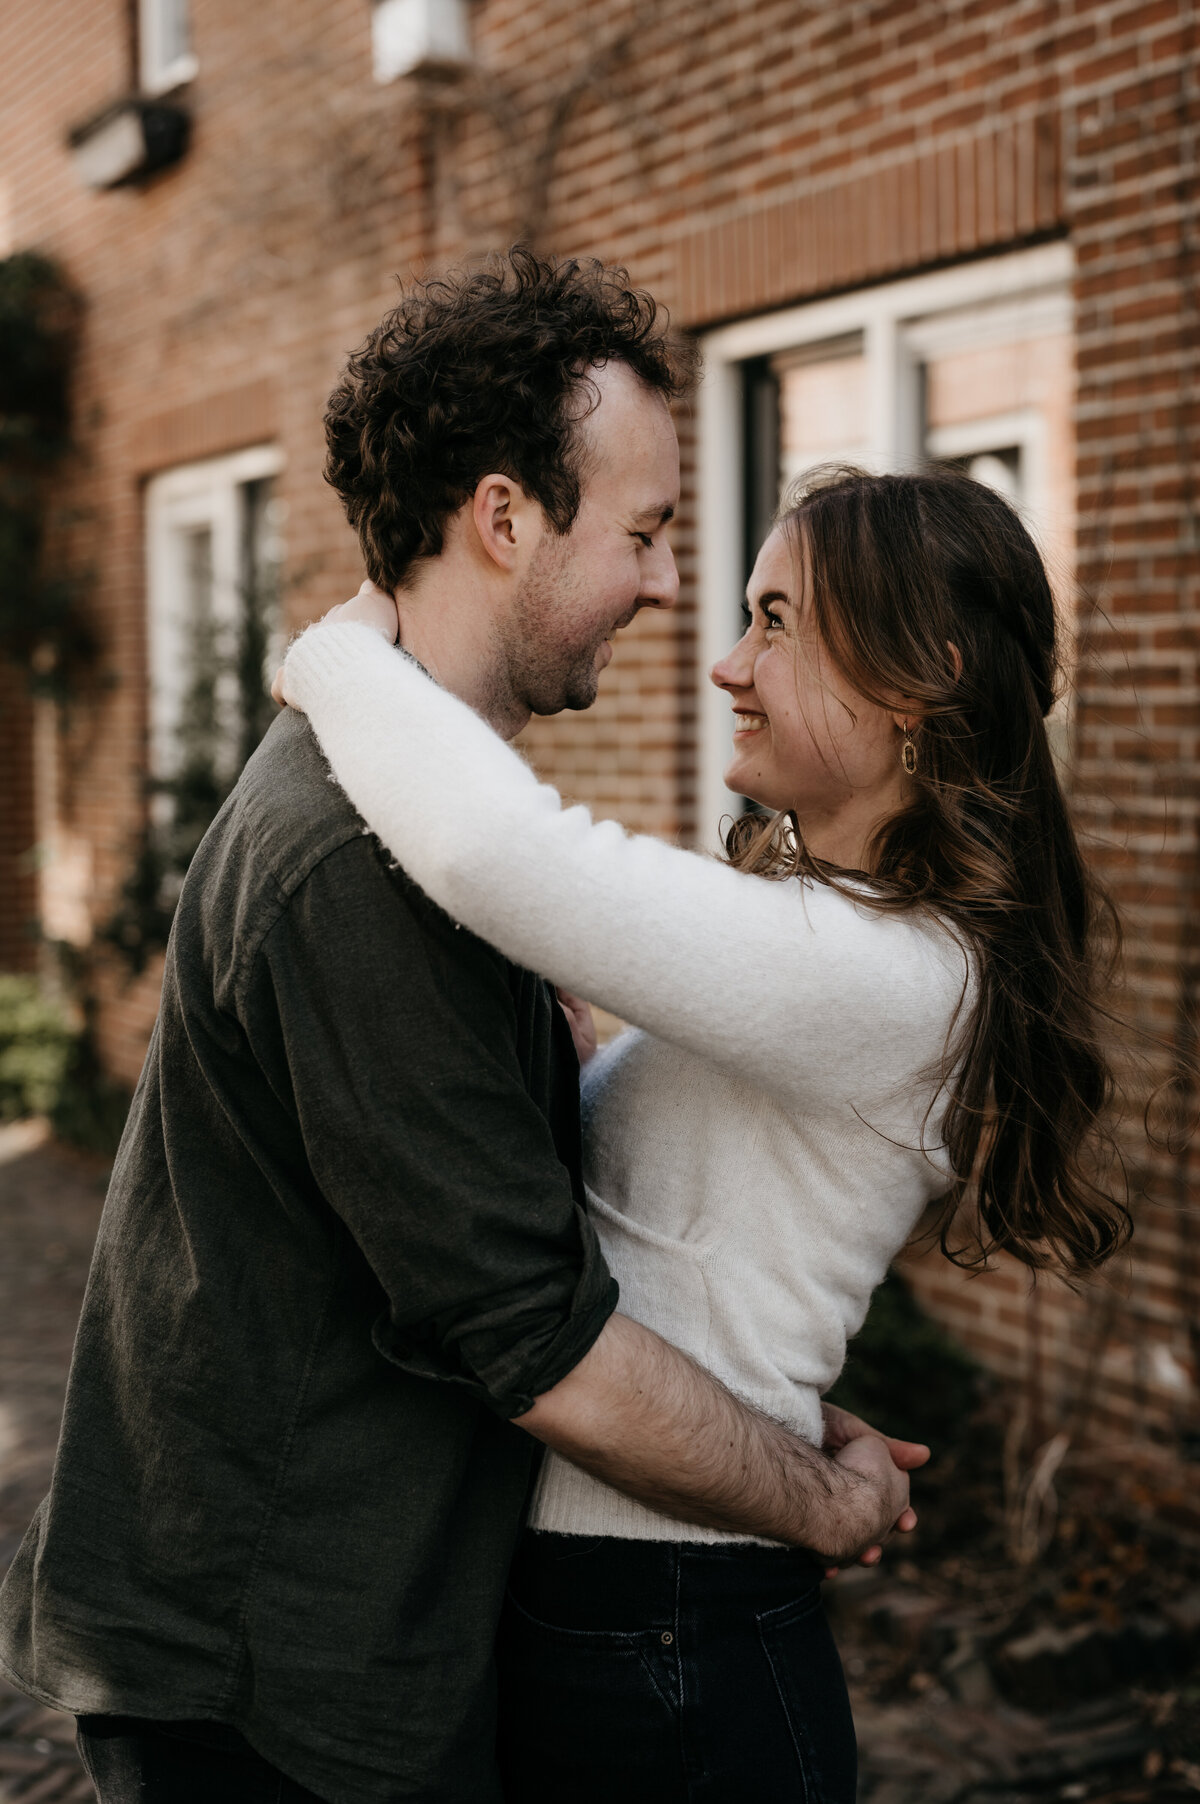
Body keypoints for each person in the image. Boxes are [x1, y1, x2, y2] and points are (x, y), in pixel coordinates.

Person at [0, 255, 921, 1804]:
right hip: (278, 1668)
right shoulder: (358, 863)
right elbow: (542, 1350)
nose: (663, 586)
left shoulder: (412, 815)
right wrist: (818, 1505)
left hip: (346, 1626)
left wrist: (767, 1388)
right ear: (506, 519)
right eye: (641, 532)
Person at [278, 461, 1131, 1803]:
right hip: (628, 1606)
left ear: (921, 681)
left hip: (669, 1631)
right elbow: (690, 1242)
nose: (731, 665)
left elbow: (506, 858)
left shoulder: (896, 975)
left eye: (780, 622)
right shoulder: (853, 952)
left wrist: (337, 654)